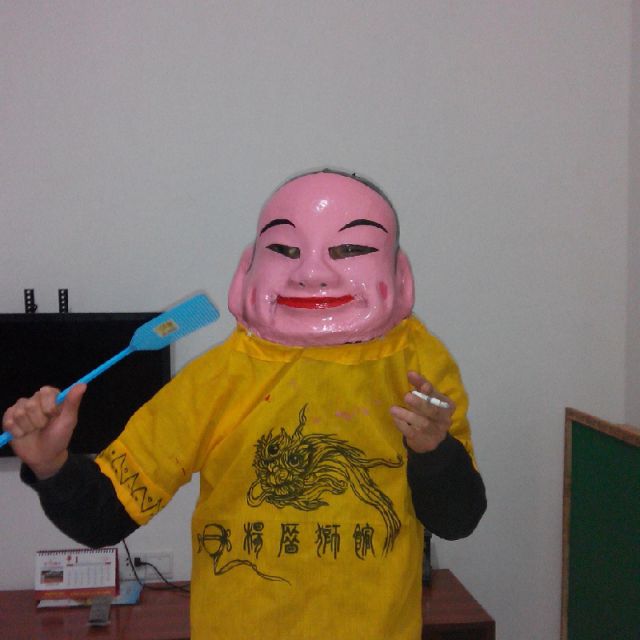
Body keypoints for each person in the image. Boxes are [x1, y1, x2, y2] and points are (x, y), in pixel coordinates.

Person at [3, 169, 486, 639]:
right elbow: (104, 517)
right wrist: (52, 467)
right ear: (246, 268)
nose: (312, 272)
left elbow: (458, 519)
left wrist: (435, 452)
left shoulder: (419, 368)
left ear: (400, 275)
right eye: (285, 249)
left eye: (351, 249)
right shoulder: (216, 380)